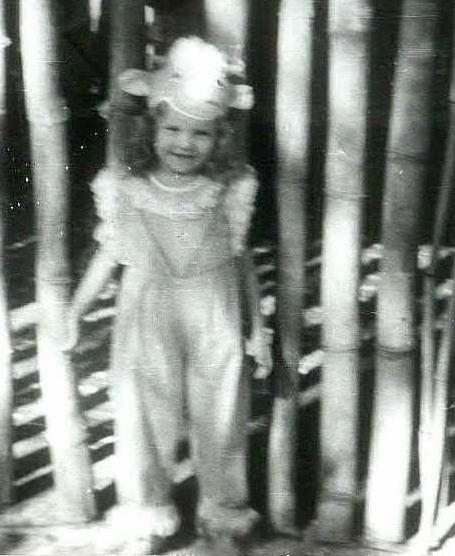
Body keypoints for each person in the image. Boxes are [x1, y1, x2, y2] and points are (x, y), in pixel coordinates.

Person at [63, 37, 273, 555]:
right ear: (152, 128)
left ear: (219, 139)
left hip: (215, 314)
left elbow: (240, 257)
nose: (185, 143)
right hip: (147, 312)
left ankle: (223, 518)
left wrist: (257, 326)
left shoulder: (231, 189)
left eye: (201, 133)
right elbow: (110, 252)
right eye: (173, 129)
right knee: (143, 414)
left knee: (221, 414)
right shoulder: (127, 188)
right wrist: (76, 310)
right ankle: (144, 515)